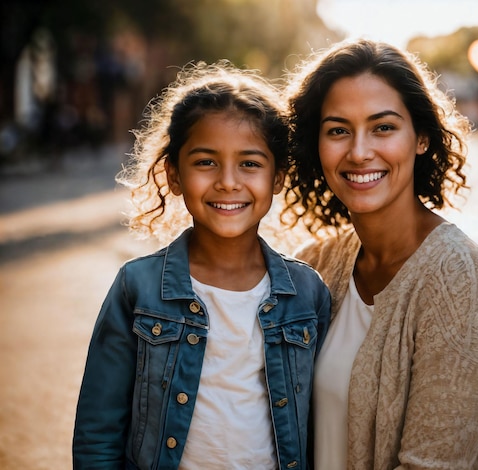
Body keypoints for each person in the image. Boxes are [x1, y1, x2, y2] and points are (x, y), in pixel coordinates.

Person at [73, 61, 331, 469]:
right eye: (206, 162)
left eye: (250, 163)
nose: (228, 181)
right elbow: (97, 431)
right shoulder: (136, 288)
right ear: (174, 175)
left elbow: (321, 430)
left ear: (278, 177)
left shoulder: (307, 293)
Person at [282, 39, 478, 469]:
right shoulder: (315, 265)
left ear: (422, 138)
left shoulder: (459, 277)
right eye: (337, 130)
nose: (358, 151)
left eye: (383, 127)